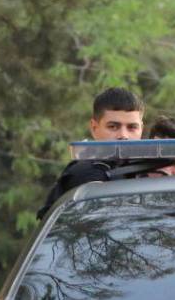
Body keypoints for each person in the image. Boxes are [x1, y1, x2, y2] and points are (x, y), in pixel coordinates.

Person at [36, 87, 146, 220]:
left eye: (132, 127)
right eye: (113, 127)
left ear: (141, 129)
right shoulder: (86, 173)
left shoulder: (154, 171)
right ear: (94, 128)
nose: (123, 135)